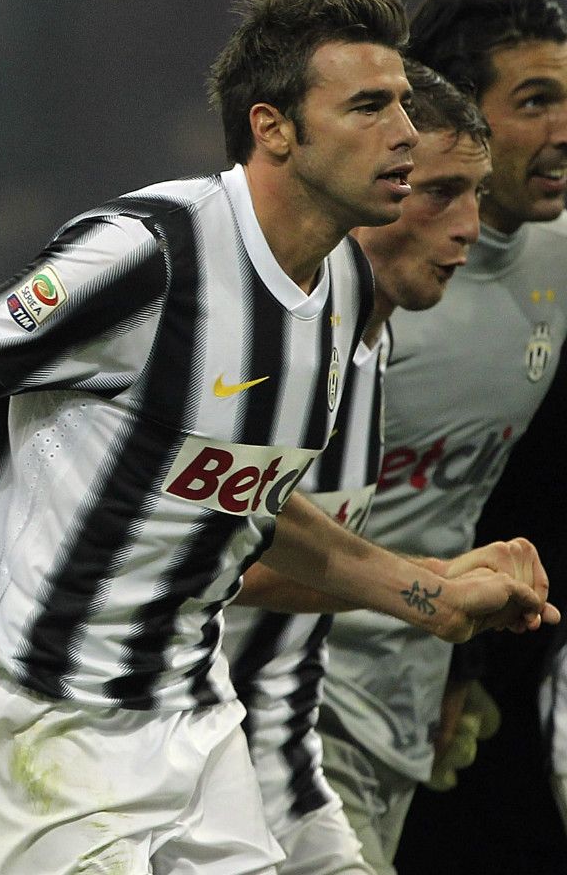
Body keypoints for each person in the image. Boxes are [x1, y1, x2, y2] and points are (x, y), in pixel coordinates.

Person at [0, 0, 556, 874]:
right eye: (368, 106)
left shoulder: (344, 287)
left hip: (193, 724)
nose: (403, 131)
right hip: (40, 721)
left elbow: (247, 500)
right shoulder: (150, 254)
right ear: (274, 128)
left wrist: (430, 593)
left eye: (401, 104)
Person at [220, 62, 495, 875]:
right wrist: (433, 589)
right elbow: (207, 554)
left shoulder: (373, 344)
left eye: (478, 195)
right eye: (438, 193)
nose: (470, 227)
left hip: (289, 770)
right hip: (198, 775)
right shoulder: (265, 344)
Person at [320, 0, 567, 874]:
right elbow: (246, 527)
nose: (563, 129)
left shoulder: (554, 262)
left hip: (410, 712)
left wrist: (464, 668)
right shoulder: (338, 284)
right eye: (535, 102)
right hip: (284, 703)